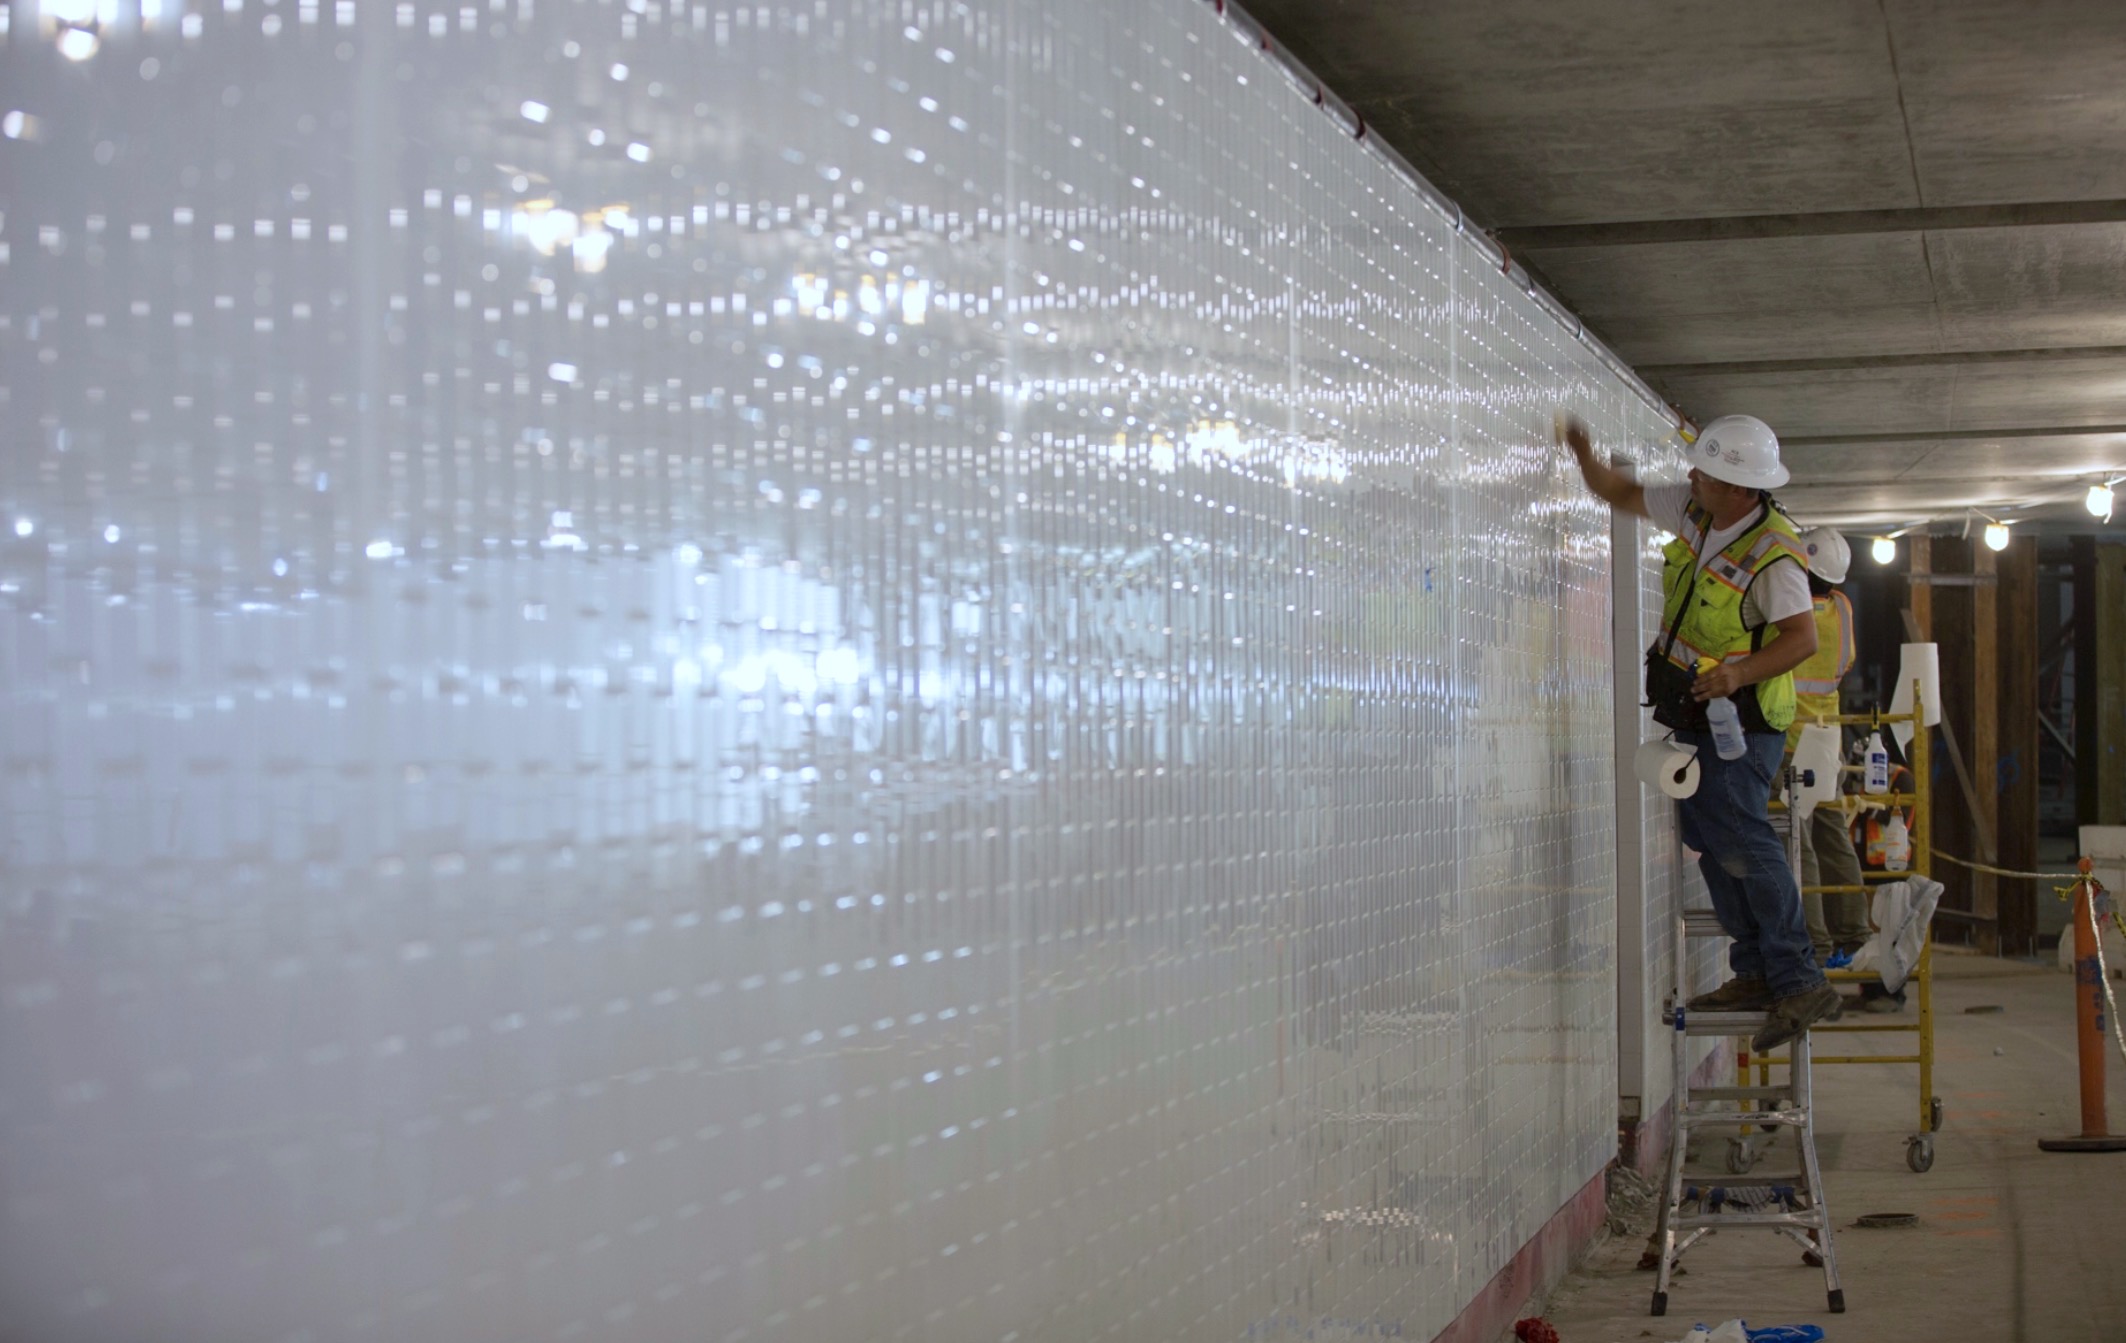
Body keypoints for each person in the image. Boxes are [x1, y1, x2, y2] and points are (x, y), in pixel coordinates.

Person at [1561, 412, 1838, 1052]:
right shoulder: (1696, 510)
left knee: (1742, 833)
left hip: (1745, 718)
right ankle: (1757, 973)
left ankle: (1798, 977)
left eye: (1707, 472)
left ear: (1742, 489)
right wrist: (1581, 449)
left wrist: (1738, 674)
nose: (1692, 476)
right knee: (1707, 833)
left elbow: (1801, 639)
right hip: (1700, 710)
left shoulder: (1774, 555)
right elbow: (1619, 492)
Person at [1788, 527, 1872, 973]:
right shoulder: (1842, 608)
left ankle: (1816, 943)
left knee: (1801, 845)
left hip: (1790, 744)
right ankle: (1853, 931)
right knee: (1835, 837)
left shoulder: (1793, 612)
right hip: (1827, 741)